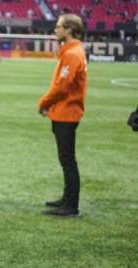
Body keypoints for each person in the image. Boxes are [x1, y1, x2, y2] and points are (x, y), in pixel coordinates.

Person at [38, 14, 87, 217]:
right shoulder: (72, 51)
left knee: (67, 160)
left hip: (67, 112)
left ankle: (71, 205)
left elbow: (61, 87)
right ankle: (67, 199)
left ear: (68, 29)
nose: (55, 30)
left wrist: (43, 103)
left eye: (58, 27)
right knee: (66, 159)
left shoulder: (72, 54)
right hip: (65, 111)